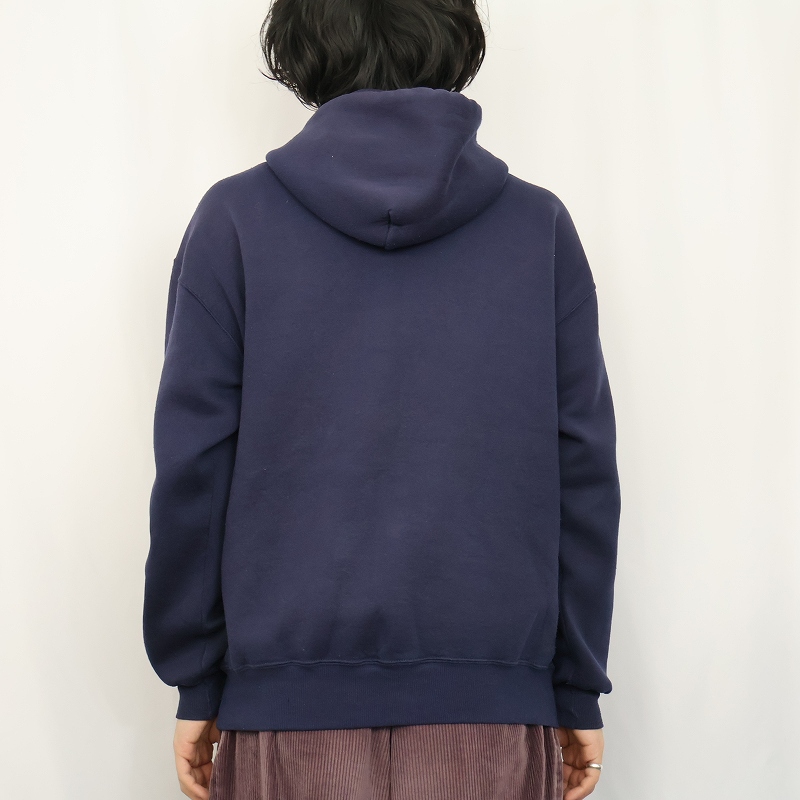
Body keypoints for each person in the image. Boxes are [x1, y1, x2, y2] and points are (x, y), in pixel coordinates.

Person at [142, 1, 621, 799]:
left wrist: (198, 676)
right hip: (491, 712)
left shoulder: (234, 222)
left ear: (302, 42)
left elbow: (195, 466)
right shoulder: (536, 228)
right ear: (454, 36)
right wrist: (575, 684)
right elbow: (584, 473)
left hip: (287, 711)